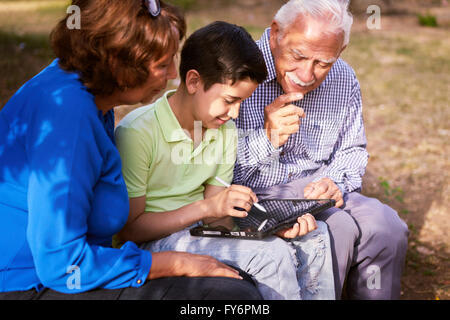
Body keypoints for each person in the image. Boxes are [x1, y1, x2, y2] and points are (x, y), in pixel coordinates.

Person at [0, 0, 263, 300]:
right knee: (229, 298)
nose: (174, 75)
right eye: (163, 65)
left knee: (233, 284)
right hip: (27, 283)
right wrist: (174, 262)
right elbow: (62, 265)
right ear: (119, 63)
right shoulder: (68, 116)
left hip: (67, 271)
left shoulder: (90, 95)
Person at [115, 21, 336, 300]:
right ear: (194, 81)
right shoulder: (137, 133)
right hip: (153, 245)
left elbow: (217, 221)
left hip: (200, 233)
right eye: (230, 100)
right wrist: (207, 207)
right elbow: (130, 230)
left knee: (315, 238)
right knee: (272, 256)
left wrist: (266, 229)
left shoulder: (223, 130)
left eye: (242, 102)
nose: (235, 113)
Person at [233, 0, 409, 299]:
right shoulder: (237, 68)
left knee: (387, 227)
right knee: (335, 230)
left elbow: (352, 150)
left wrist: (335, 182)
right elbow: (216, 168)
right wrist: (267, 137)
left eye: (323, 63)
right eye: (298, 56)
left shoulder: (343, 78)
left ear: (339, 52)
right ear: (276, 33)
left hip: (318, 185)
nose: (306, 74)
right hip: (254, 191)